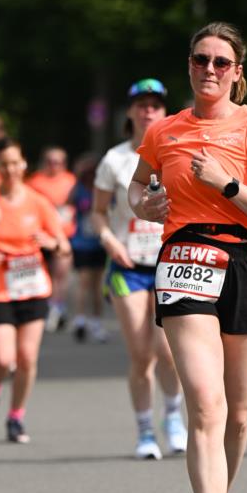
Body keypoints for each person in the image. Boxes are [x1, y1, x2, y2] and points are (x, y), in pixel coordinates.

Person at [128, 23, 247, 493]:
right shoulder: (165, 131)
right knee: (205, 403)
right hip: (185, 260)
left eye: (222, 62)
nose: (210, 69)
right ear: (189, 64)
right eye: (201, 59)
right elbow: (137, 186)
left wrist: (227, 185)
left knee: (238, 416)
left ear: (238, 72)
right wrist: (144, 205)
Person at [93, 78, 187, 459]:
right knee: (141, 354)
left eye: (155, 104)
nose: (148, 110)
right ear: (130, 112)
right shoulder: (114, 160)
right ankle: (145, 431)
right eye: (141, 104)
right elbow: (98, 213)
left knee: (168, 351)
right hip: (128, 265)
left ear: (165, 111)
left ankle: (173, 416)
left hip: (169, 262)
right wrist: (110, 241)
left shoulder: (177, 153)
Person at [0, 137, 70, 443]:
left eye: (15, 163)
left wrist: (51, 243)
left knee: (27, 358)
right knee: (4, 358)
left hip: (32, 287)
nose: (11, 169)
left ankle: (16, 416)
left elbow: (63, 246)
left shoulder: (37, 201)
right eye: (4, 164)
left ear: (24, 163)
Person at [28, 147, 76, 331]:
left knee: (61, 274)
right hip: (40, 236)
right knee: (43, 274)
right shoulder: (35, 181)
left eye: (58, 162)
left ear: (64, 164)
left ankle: (57, 308)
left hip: (64, 235)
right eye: (50, 161)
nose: (54, 165)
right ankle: (44, 307)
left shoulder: (71, 181)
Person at [68, 153, 108, 342]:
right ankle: (80, 319)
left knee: (97, 285)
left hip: (99, 243)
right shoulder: (79, 190)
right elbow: (67, 202)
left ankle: (96, 321)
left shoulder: (102, 191)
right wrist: (78, 173)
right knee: (83, 281)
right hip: (81, 243)